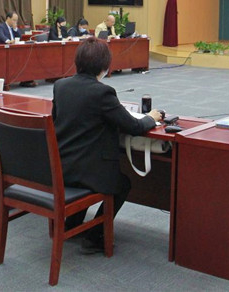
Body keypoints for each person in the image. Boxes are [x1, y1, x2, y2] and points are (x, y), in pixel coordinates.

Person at [52, 37, 162, 253]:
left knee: (87, 164)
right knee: (123, 183)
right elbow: (134, 126)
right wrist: (151, 117)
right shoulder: (103, 92)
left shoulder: (60, 86)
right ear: (104, 66)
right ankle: (96, 235)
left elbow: (57, 119)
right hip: (89, 172)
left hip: (61, 168)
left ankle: (72, 223)